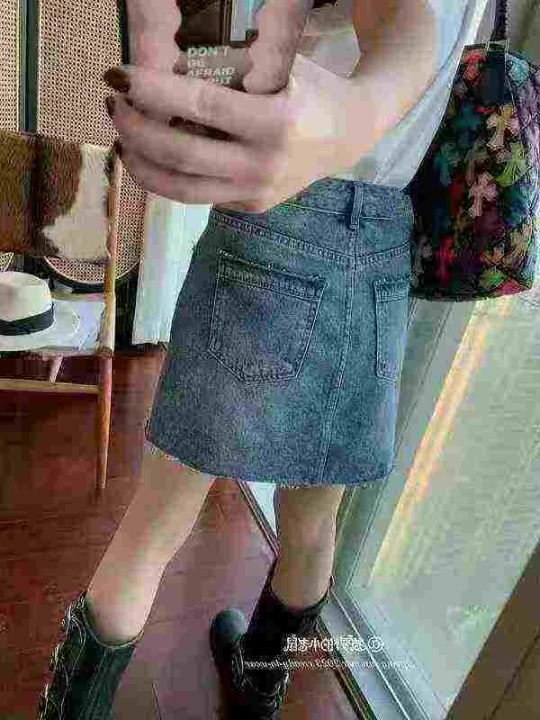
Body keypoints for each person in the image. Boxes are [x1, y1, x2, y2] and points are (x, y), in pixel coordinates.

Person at [36, 0, 490, 718]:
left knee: (155, 525)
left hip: (285, 210)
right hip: (383, 242)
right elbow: (417, 42)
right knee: (313, 522)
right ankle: (258, 685)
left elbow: (388, 32)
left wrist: (199, 76)